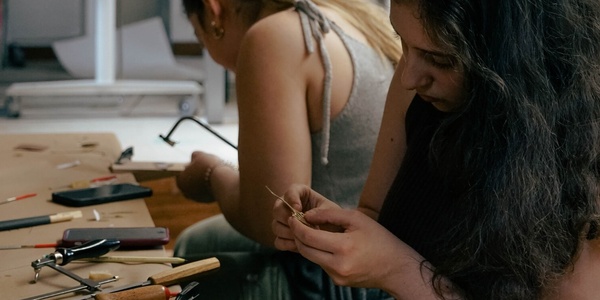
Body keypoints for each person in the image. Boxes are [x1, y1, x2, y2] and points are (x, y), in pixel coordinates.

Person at [273, 0, 600, 299]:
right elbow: (376, 215)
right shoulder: (416, 89)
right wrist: (332, 230)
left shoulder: (582, 160)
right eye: (402, 42)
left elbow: (394, 258)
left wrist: (395, 268)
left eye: (440, 59)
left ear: (514, 58)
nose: (409, 78)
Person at [174, 0, 401, 298]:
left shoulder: (275, 37)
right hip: (387, 249)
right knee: (196, 242)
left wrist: (211, 174)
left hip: (346, 275)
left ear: (214, 12)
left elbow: (274, 223)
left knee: (174, 277)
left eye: (198, 34)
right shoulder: (352, 13)